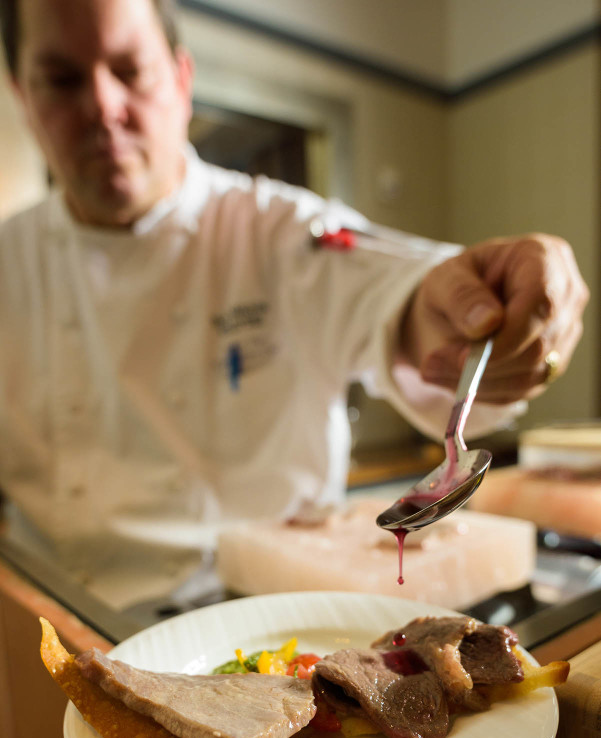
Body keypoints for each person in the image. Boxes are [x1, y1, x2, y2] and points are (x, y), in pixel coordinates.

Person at [0, 0, 589, 608]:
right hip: (46, 616)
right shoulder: (8, 260)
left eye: (129, 70)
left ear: (181, 79)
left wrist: (474, 309)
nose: (101, 106)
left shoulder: (275, 228)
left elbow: (398, 292)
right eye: (63, 80)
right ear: (22, 95)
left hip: (258, 618)